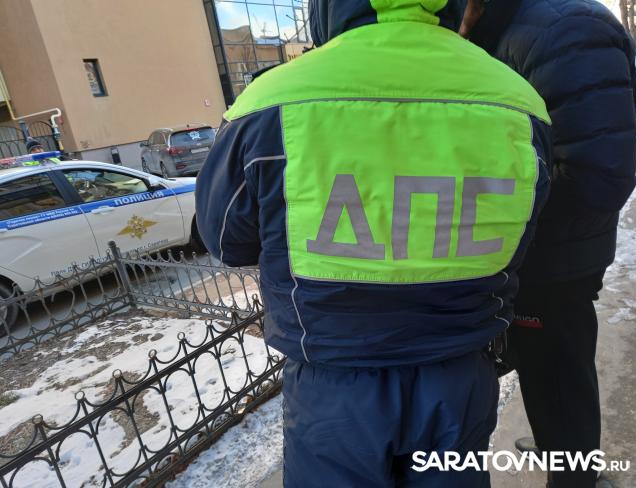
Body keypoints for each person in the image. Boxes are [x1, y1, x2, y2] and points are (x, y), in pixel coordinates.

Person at [197, 0, 552, 486]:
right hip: (459, 370)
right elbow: (525, 235)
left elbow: (226, 241)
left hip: (333, 381)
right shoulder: (517, 100)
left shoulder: (271, 99)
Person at [460, 1, 636, 487]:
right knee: (543, 366)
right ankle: (561, 446)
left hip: (556, 254)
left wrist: (501, 215)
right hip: (535, 246)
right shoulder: (512, 28)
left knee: (558, 370)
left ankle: (575, 473)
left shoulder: (568, 30)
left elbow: (598, 176)